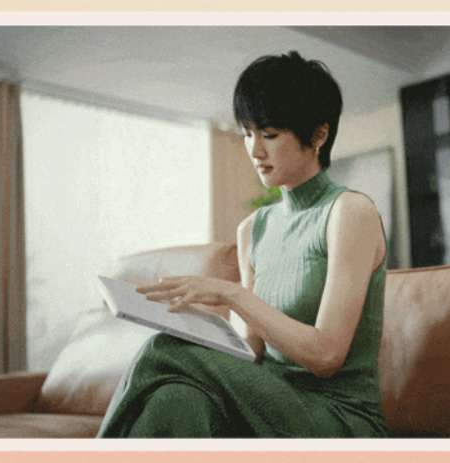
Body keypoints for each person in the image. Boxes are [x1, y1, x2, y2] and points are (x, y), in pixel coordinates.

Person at [96, 51, 388, 438]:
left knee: (162, 350)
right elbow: (249, 352)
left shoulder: (350, 213)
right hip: (268, 407)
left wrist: (232, 294)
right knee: (177, 398)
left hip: (338, 417)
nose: (254, 149)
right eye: (248, 133)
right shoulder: (254, 228)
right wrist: (194, 326)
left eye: (269, 135)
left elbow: (326, 356)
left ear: (318, 135)